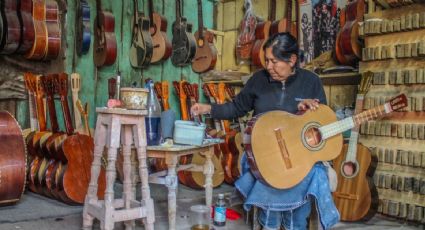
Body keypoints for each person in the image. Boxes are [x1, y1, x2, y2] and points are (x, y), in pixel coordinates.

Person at [191, 32, 340, 230]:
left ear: (292, 60)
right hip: (265, 153)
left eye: (274, 61)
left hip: (299, 155)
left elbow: (321, 126)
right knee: (269, 174)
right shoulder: (258, 80)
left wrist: (308, 111)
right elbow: (236, 108)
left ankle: (294, 224)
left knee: (310, 174)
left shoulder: (311, 82)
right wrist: (207, 108)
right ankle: (270, 223)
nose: (268, 66)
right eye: (267, 61)